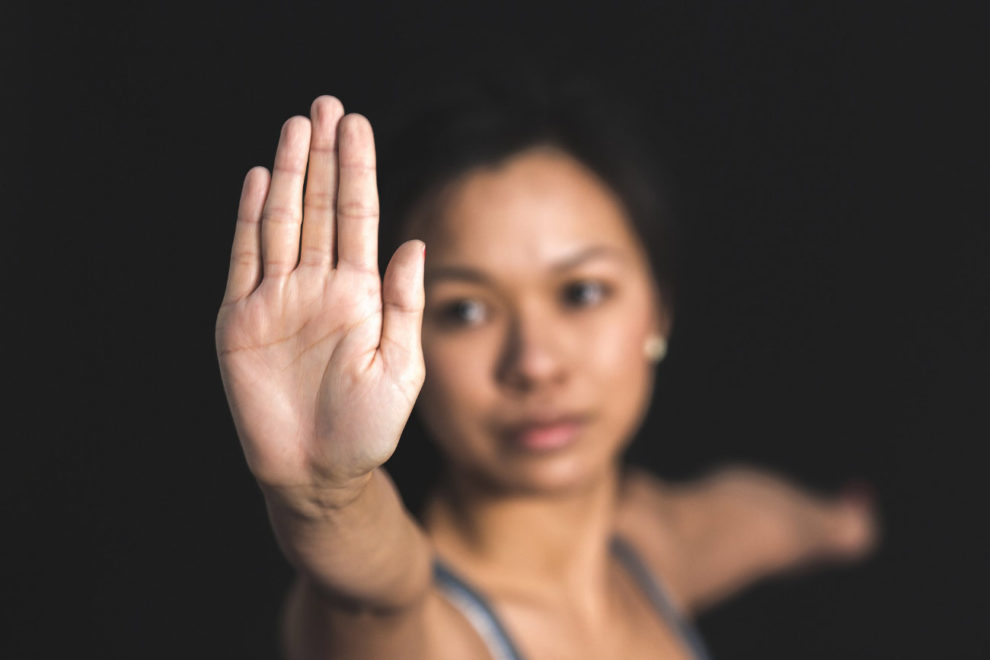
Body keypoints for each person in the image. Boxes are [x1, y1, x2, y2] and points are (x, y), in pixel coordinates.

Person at [215, 83, 877, 659]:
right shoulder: (422, 631)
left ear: (660, 310)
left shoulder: (650, 547)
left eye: (582, 293)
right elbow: (370, 595)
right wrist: (326, 497)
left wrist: (838, 525)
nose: (534, 363)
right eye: (466, 310)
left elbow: (754, 516)